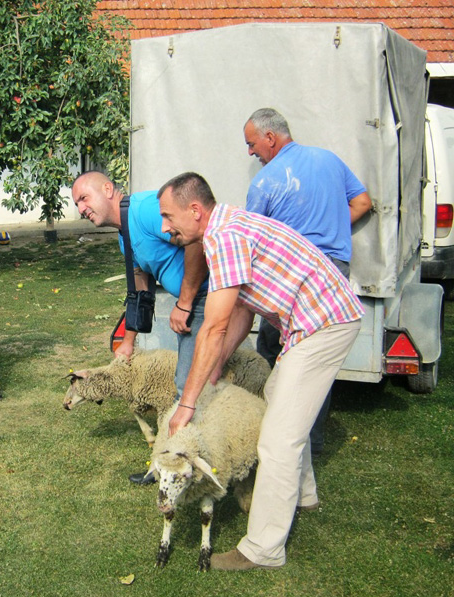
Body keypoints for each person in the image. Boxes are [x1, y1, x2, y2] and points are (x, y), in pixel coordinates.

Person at [158, 171, 363, 570]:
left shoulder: (224, 238)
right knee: (276, 400)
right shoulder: (227, 225)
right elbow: (242, 308)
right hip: (311, 322)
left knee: (277, 440)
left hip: (325, 322)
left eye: (169, 217)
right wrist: (215, 368)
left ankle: (264, 548)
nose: (166, 227)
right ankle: (303, 494)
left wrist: (187, 404)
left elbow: (214, 327)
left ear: (195, 210)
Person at [244, 107, 372, 457]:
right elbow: (363, 202)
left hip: (293, 276)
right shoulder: (329, 160)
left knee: (273, 349)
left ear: (270, 138)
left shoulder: (266, 182)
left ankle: (274, 430)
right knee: (315, 358)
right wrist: (333, 226)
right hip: (333, 272)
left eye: (253, 144)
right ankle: (312, 443)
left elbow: (254, 240)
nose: (251, 152)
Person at [71, 171, 208, 485]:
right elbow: (139, 287)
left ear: (108, 189)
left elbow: (197, 239)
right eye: (77, 204)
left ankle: (176, 468)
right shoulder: (125, 235)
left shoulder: (146, 209)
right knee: (191, 386)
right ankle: (172, 463)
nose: (81, 208)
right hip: (196, 303)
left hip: (205, 300)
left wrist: (185, 301)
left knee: (186, 387)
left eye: (84, 198)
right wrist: (127, 341)